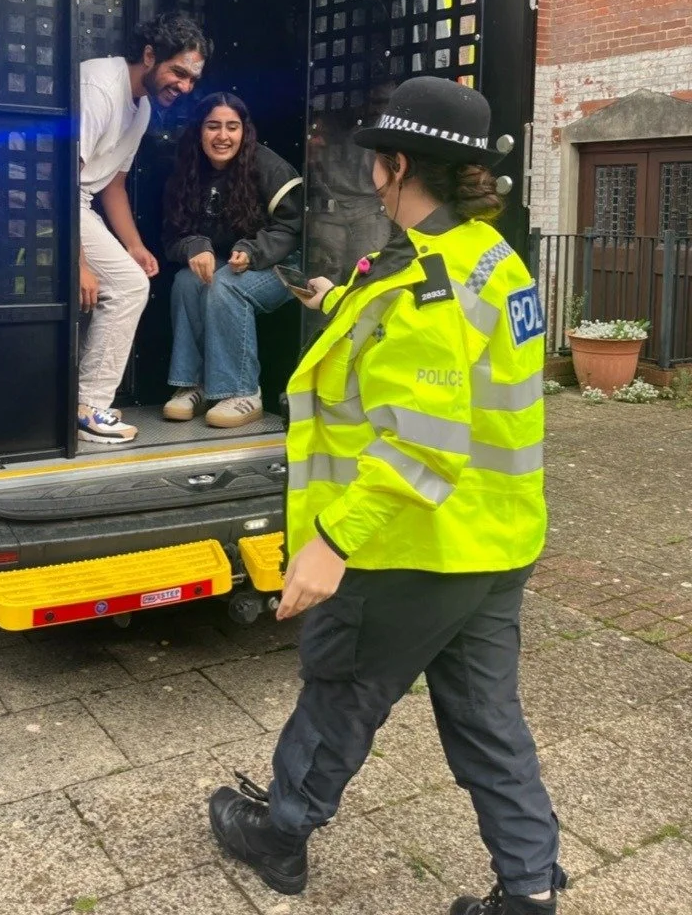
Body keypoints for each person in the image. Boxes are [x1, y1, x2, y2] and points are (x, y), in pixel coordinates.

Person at [209, 76, 564, 915]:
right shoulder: (485, 257)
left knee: (339, 692)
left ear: (397, 166)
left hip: (412, 546)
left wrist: (332, 544)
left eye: (377, 159)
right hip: (494, 540)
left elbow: (421, 444)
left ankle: (281, 834)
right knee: (487, 722)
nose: (369, 173)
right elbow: (443, 373)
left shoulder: (425, 286)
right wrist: (337, 299)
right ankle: (530, 890)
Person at [78, 13, 211, 444]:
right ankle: (88, 405)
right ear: (150, 56)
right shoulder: (100, 86)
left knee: (132, 278)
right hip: (42, 200)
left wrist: (133, 245)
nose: (185, 85)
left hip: (75, 202)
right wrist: (78, 263)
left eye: (192, 78)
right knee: (130, 287)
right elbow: (56, 179)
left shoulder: (144, 106)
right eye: (178, 72)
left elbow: (113, 182)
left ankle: (86, 401)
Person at [162, 92, 302, 428]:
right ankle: (192, 386)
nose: (222, 136)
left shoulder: (268, 166)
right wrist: (193, 246)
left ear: (244, 131)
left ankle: (242, 393)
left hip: (282, 268)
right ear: (199, 131)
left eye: (232, 127)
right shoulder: (188, 169)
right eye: (213, 126)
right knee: (186, 280)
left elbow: (292, 228)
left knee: (225, 285)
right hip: (228, 264)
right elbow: (171, 237)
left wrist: (254, 251)